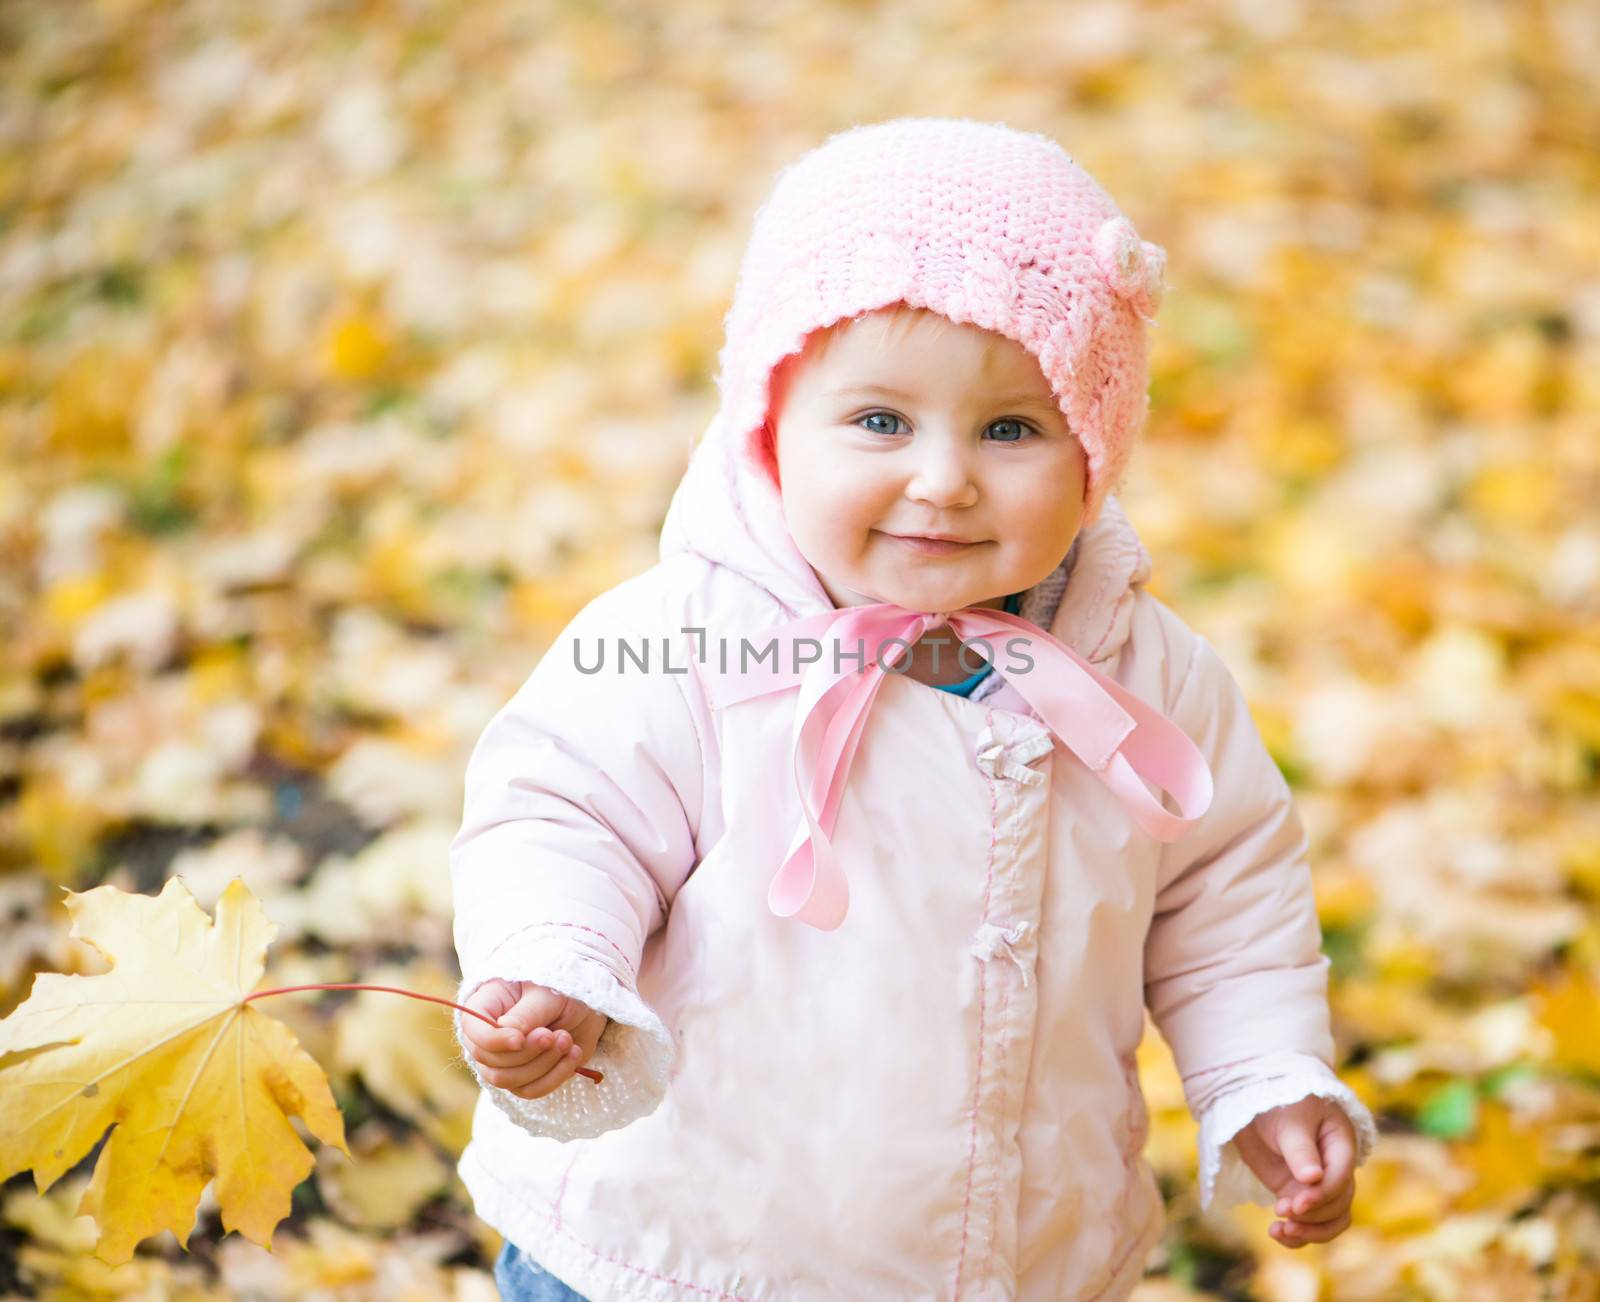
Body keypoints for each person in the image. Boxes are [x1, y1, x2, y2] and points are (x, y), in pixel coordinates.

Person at [450, 116, 1378, 1301]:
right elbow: (559, 811)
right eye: (879, 421)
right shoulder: (685, 640)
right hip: (678, 1251)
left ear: (1094, 452)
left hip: (1012, 1253)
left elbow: (1227, 902)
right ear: (770, 431)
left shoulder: (1144, 677)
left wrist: (1265, 1075)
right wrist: (558, 962)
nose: (942, 480)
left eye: (1010, 430)